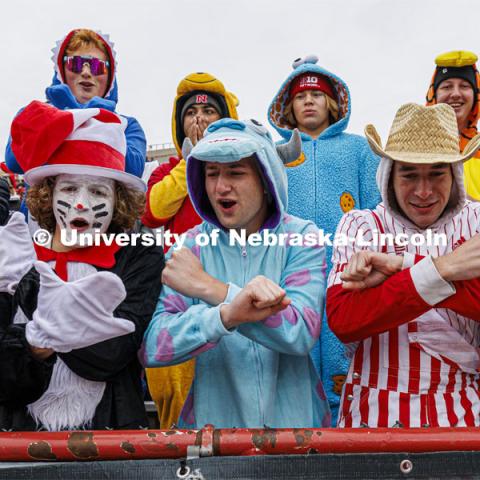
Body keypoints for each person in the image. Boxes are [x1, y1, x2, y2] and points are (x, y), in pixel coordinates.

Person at [142, 118, 330, 428]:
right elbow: (154, 346)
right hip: (212, 438)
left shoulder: (302, 236)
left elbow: (301, 331)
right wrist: (224, 317)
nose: (220, 187)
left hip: (296, 434)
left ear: (267, 181)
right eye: (211, 173)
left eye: (236, 172)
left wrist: (211, 289)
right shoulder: (189, 246)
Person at [0, 101, 163, 431]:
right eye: (70, 187)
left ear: (118, 200)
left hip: (109, 446)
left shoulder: (138, 257)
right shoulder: (19, 257)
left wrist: (38, 330)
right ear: (48, 194)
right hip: (23, 449)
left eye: (97, 191)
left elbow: (114, 351)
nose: (80, 202)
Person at [327, 102, 480, 427]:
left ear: (453, 174)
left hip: (463, 412)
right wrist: (447, 268)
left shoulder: (476, 220)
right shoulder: (360, 224)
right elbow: (344, 318)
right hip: (370, 416)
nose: (423, 191)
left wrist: (401, 267)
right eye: (409, 174)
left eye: (437, 174)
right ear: (388, 175)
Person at [267, 55, 380, 423]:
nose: (309, 102)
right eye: (300, 97)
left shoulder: (358, 148)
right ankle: (297, 430)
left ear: (332, 102)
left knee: (343, 352)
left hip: (347, 273)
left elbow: (376, 209)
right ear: (289, 106)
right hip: (291, 271)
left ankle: (346, 422)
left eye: (317, 95)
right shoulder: (274, 153)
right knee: (294, 349)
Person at [142, 72, 239, 428]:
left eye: (210, 112)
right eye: (190, 115)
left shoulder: (242, 170)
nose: (199, 120)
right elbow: (153, 210)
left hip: (226, 289)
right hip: (177, 297)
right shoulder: (165, 169)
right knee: (173, 396)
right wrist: (191, 161)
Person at [5, 28, 146, 179]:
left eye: (97, 66)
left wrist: (91, 115)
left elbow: (133, 169)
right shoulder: (34, 113)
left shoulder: (128, 125)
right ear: (61, 72)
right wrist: (66, 113)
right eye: (76, 64)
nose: (86, 72)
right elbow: (15, 162)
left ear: (110, 78)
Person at [426, 50, 480, 201]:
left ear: (476, 95)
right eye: (447, 87)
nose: (456, 93)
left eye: (464, 86)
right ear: (434, 95)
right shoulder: (410, 147)